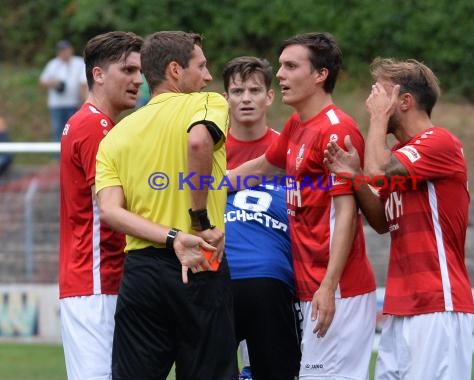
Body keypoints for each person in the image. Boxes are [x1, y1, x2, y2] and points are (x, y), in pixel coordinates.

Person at [228, 32, 377, 379]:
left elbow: (346, 216)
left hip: (338, 290)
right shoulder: (297, 124)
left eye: (290, 66)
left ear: (320, 75)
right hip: (309, 287)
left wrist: (328, 287)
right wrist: (201, 189)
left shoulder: (336, 130)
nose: (279, 74)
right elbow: (261, 167)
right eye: (280, 65)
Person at [95, 31, 236, 379]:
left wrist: (172, 236)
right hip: (200, 260)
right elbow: (199, 141)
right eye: (201, 66)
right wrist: (199, 220)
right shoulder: (208, 103)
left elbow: (111, 212)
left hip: (142, 272)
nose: (206, 76)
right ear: (175, 69)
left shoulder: (116, 135)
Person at [324, 57, 474, 380]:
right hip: (402, 305)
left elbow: (377, 172)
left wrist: (377, 120)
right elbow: (380, 221)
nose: (371, 101)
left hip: (438, 304)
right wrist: (353, 177)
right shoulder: (404, 158)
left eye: (381, 94)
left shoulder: (439, 142)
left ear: (404, 101)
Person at [58, 31, 144, 380]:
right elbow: (112, 209)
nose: (138, 79)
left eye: (139, 71)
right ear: (98, 74)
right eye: (128, 70)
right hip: (95, 281)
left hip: (100, 280)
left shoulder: (96, 123)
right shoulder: (95, 126)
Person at [222, 56, 301, 379]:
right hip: (218, 281)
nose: (245, 98)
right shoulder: (206, 149)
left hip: (275, 281)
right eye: (237, 91)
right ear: (225, 97)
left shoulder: (292, 148)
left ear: (269, 96)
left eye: (254, 90)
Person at [39, 39, 87, 142]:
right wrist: (54, 83)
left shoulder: (79, 63)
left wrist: (83, 102)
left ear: (71, 50)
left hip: (74, 103)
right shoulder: (52, 64)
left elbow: (83, 83)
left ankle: (72, 156)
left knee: (74, 131)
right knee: (57, 131)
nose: (64, 52)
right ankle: (57, 157)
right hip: (56, 104)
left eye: (66, 49)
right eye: (61, 50)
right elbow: (42, 82)